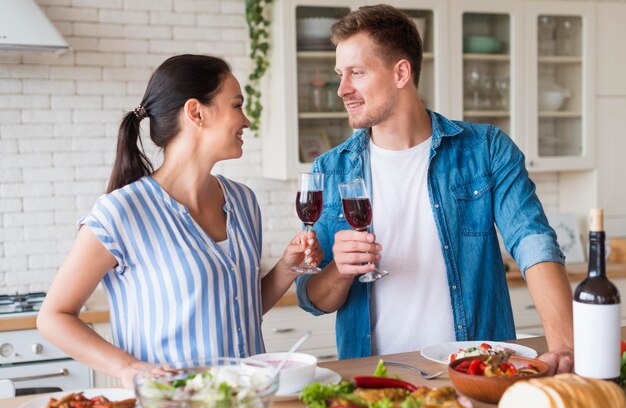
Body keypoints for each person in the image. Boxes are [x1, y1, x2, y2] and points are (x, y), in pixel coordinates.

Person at [295, 4, 573, 374]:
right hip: (376, 379)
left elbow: (533, 241)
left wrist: (566, 347)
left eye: (356, 73)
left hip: (474, 372)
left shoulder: (485, 149)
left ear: (401, 72)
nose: (342, 89)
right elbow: (312, 299)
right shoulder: (330, 169)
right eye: (340, 75)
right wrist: (341, 271)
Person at [37, 54, 322, 388]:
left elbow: (238, 308)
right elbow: (53, 317)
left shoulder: (243, 202)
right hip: (170, 404)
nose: (246, 121)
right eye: (236, 106)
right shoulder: (121, 212)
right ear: (196, 112)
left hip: (246, 401)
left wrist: (287, 268)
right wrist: (129, 369)